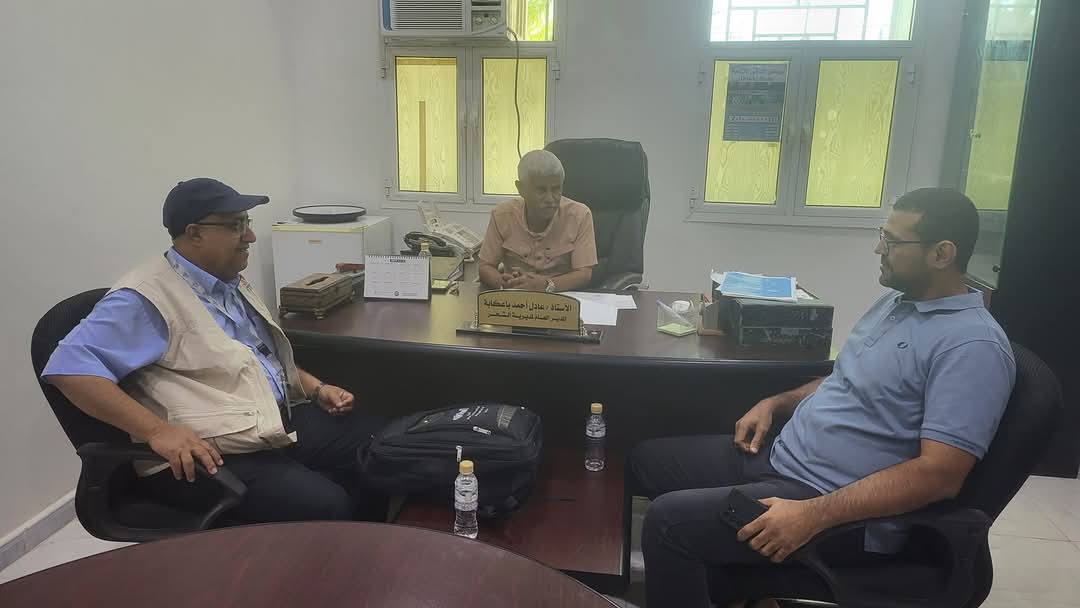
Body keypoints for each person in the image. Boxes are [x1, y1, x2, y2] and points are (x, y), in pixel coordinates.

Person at [630, 188, 1016, 608]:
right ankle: (735, 589)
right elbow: (845, 378)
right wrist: (775, 403)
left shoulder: (973, 346)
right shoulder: (896, 303)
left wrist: (813, 515)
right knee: (645, 460)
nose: (879, 249)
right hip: (782, 456)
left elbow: (939, 475)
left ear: (942, 254)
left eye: (892, 241)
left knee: (667, 524)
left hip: (828, 505)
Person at [43, 178, 386, 523]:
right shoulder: (144, 298)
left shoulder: (226, 281)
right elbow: (68, 368)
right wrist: (158, 432)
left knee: (381, 448)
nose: (250, 236)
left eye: (247, 223)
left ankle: (370, 542)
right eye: (235, 226)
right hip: (209, 451)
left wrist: (315, 387)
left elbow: (255, 358)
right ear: (195, 234)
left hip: (264, 423)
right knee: (328, 505)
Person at [478, 150, 598, 292]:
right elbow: (485, 266)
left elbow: (584, 274)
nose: (550, 199)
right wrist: (502, 282)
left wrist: (546, 285)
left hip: (560, 295)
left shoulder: (580, 215)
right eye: (541, 190)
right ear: (521, 189)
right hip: (515, 296)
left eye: (556, 189)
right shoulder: (502, 215)